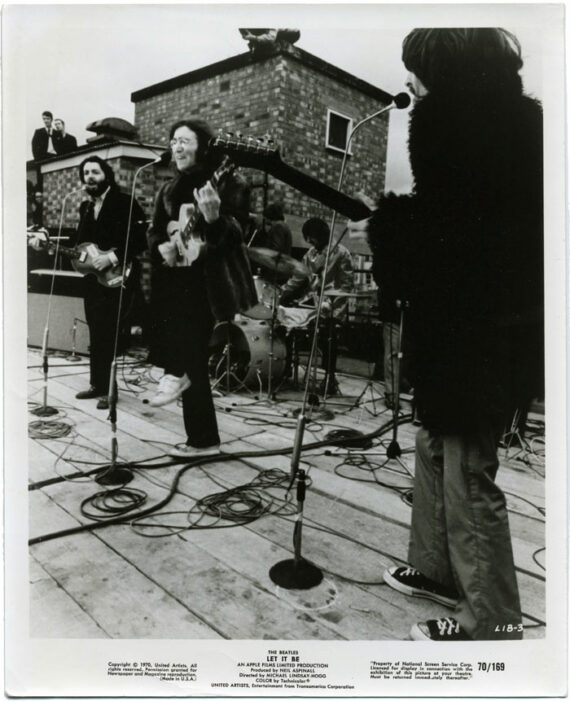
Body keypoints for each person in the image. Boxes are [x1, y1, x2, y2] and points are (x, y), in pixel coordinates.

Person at [354, 29, 543, 641]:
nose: (408, 81)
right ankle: (437, 569)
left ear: (443, 68)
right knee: (434, 446)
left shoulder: (456, 128)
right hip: (479, 327)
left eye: (415, 69)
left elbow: (448, 241)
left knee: (465, 468)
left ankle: (492, 622)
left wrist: (386, 228)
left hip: (478, 334)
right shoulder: (504, 123)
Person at [146, 118, 256, 458]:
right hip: (175, 279)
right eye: (173, 141)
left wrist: (213, 219)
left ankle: (173, 374)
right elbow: (153, 232)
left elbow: (237, 236)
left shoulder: (229, 183)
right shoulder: (168, 189)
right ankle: (203, 439)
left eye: (184, 141)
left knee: (191, 352)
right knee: (192, 362)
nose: (176, 147)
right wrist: (161, 245)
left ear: (203, 147)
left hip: (210, 283)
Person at [73, 156, 147, 409]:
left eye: (95, 171)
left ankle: (111, 391)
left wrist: (113, 257)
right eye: (86, 173)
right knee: (96, 329)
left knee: (112, 332)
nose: (90, 177)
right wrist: (50, 246)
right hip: (94, 281)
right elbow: (80, 245)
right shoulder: (85, 207)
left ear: (106, 175)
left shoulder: (124, 202)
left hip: (118, 276)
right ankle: (97, 384)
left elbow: (141, 238)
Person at [280, 217, 353, 393]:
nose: (309, 242)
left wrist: (333, 310)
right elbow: (297, 278)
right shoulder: (310, 255)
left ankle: (329, 379)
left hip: (332, 307)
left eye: (311, 237)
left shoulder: (341, 253)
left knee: (329, 336)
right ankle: (286, 367)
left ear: (319, 236)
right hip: (312, 305)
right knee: (286, 322)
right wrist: (278, 294)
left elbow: (346, 286)